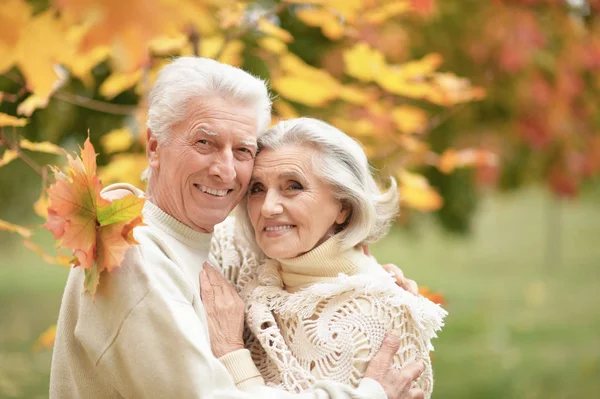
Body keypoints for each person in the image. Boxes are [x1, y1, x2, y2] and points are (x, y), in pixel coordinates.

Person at [49, 57, 427, 399]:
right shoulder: (133, 255)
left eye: (243, 151)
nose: (226, 170)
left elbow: (303, 256)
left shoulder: (206, 244)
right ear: (153, 146)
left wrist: (366, 277)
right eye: (205, 142)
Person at [202, 118, 447, 398]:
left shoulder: (374, 317)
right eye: (257, 188)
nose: (267, 208)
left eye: (293, 186)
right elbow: (162, 220)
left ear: (343, 205)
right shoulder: (240, 255)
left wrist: (231, 353)